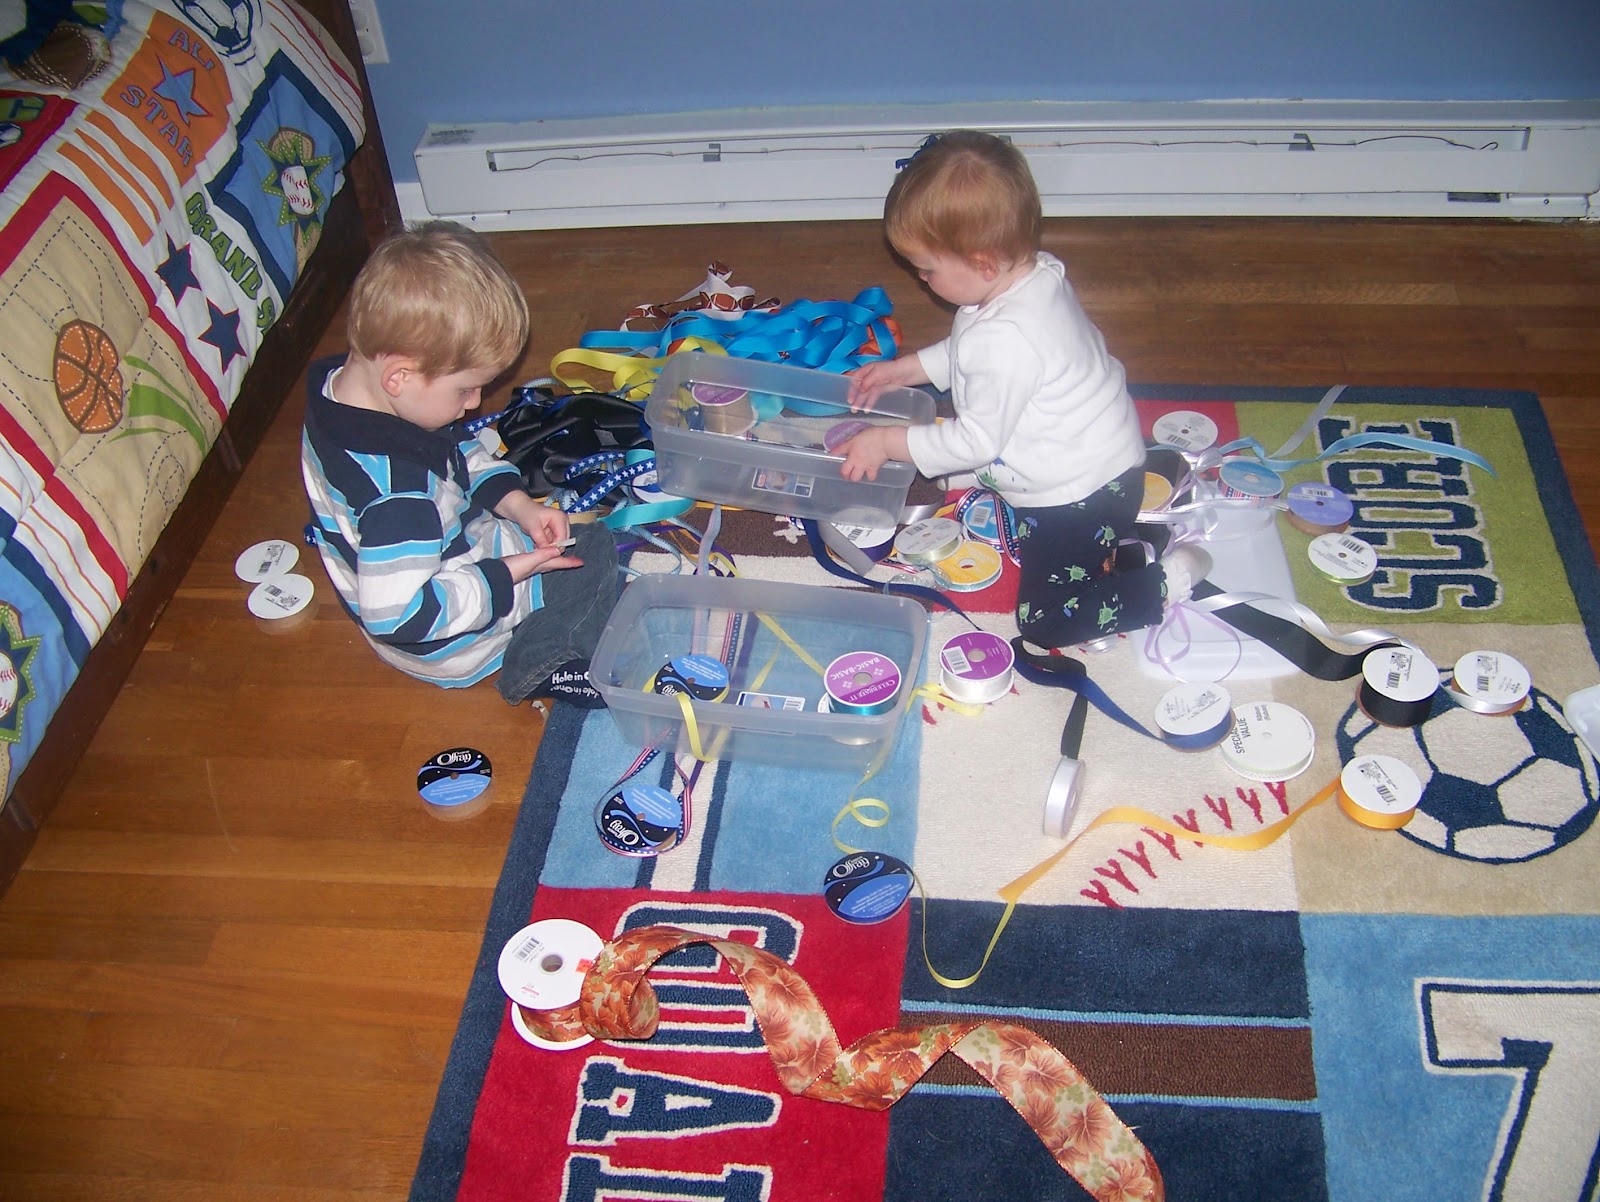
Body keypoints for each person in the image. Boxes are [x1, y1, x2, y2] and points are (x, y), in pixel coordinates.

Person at [836, 130, 1210, 648]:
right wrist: (906, 370)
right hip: (1094, 453)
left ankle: (1166, 583)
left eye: (926, 269)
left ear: (983, 263)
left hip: (1081, 497)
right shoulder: (1032, 276)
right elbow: (967, 350)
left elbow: (976, 439)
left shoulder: (1005, 339)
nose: (920, 279)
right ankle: (1002, 477)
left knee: (1044, 622)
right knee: (963, 450)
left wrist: (886, 441)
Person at [301, 220, 619, 707]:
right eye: (466, 389)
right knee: (594, 554)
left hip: (421, 568)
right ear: (399, 376)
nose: (475, 404)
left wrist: (519, 506)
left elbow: (456, 451)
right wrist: (507, 573)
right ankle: (538, 663)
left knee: (565, 540)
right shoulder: (400, 497)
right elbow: (400, 618)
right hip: (450, 636)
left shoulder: (344, 395)